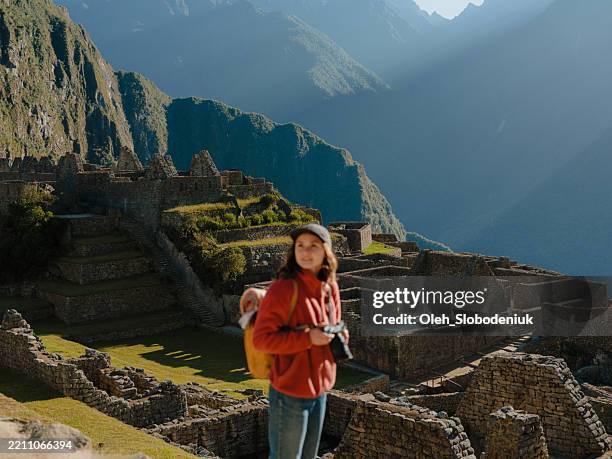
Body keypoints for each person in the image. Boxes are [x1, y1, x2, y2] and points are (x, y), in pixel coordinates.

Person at [240, 223, 348, 459]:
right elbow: (262, 339)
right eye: (300, 246)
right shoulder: (284, 289)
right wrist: (307, 338)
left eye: (313, 246)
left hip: (320, 389)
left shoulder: (330, 288)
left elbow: (335, 321)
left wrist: (339, 334)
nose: (306, 252)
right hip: (290, 391)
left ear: (326, 252)